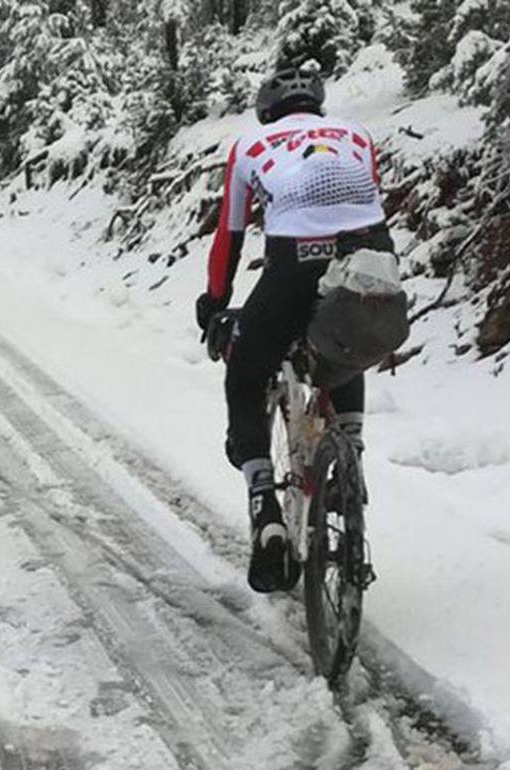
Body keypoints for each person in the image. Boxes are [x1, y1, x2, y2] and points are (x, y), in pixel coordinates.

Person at [194, 67, 392, 593]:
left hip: (293, 263)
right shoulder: (356, 135)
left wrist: (215, 303)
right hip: (372, 257)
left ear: (266, 112)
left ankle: (266, 509)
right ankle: (352, 458)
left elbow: (228, 236)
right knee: (342, 343)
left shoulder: (249, 144)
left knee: (245, 372)